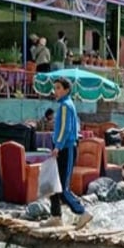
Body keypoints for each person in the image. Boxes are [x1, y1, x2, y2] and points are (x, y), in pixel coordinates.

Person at [42, 78, 93, 229]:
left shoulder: (65, 106)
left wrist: (58, 146)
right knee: (53, 184)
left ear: (66, 90)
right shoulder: (65, 105)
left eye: (58, 88)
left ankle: (82, 212)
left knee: (63, 188)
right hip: (61, 147)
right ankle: (56, 216)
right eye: (55, 88)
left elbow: (65, 129)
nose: (55, 91)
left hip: (66, 148)